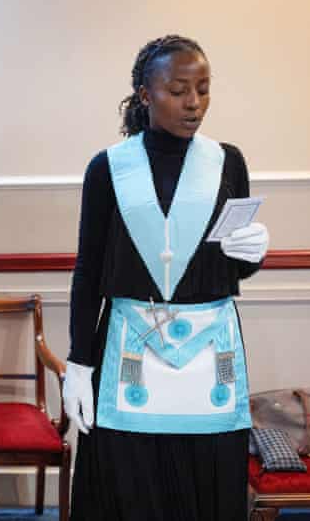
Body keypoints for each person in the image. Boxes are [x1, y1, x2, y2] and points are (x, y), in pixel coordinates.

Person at [63, 35, 270, 521]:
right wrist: (78, 362)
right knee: (127, 484)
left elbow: (230, 263)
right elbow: (88, 270)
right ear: (144, 94)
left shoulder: (228, 161)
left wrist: (254, 253)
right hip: (128, 345)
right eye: (178, 89)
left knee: (208, 484)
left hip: (210, 349)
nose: (194, 102)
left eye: (203, 88)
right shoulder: (108, 168)